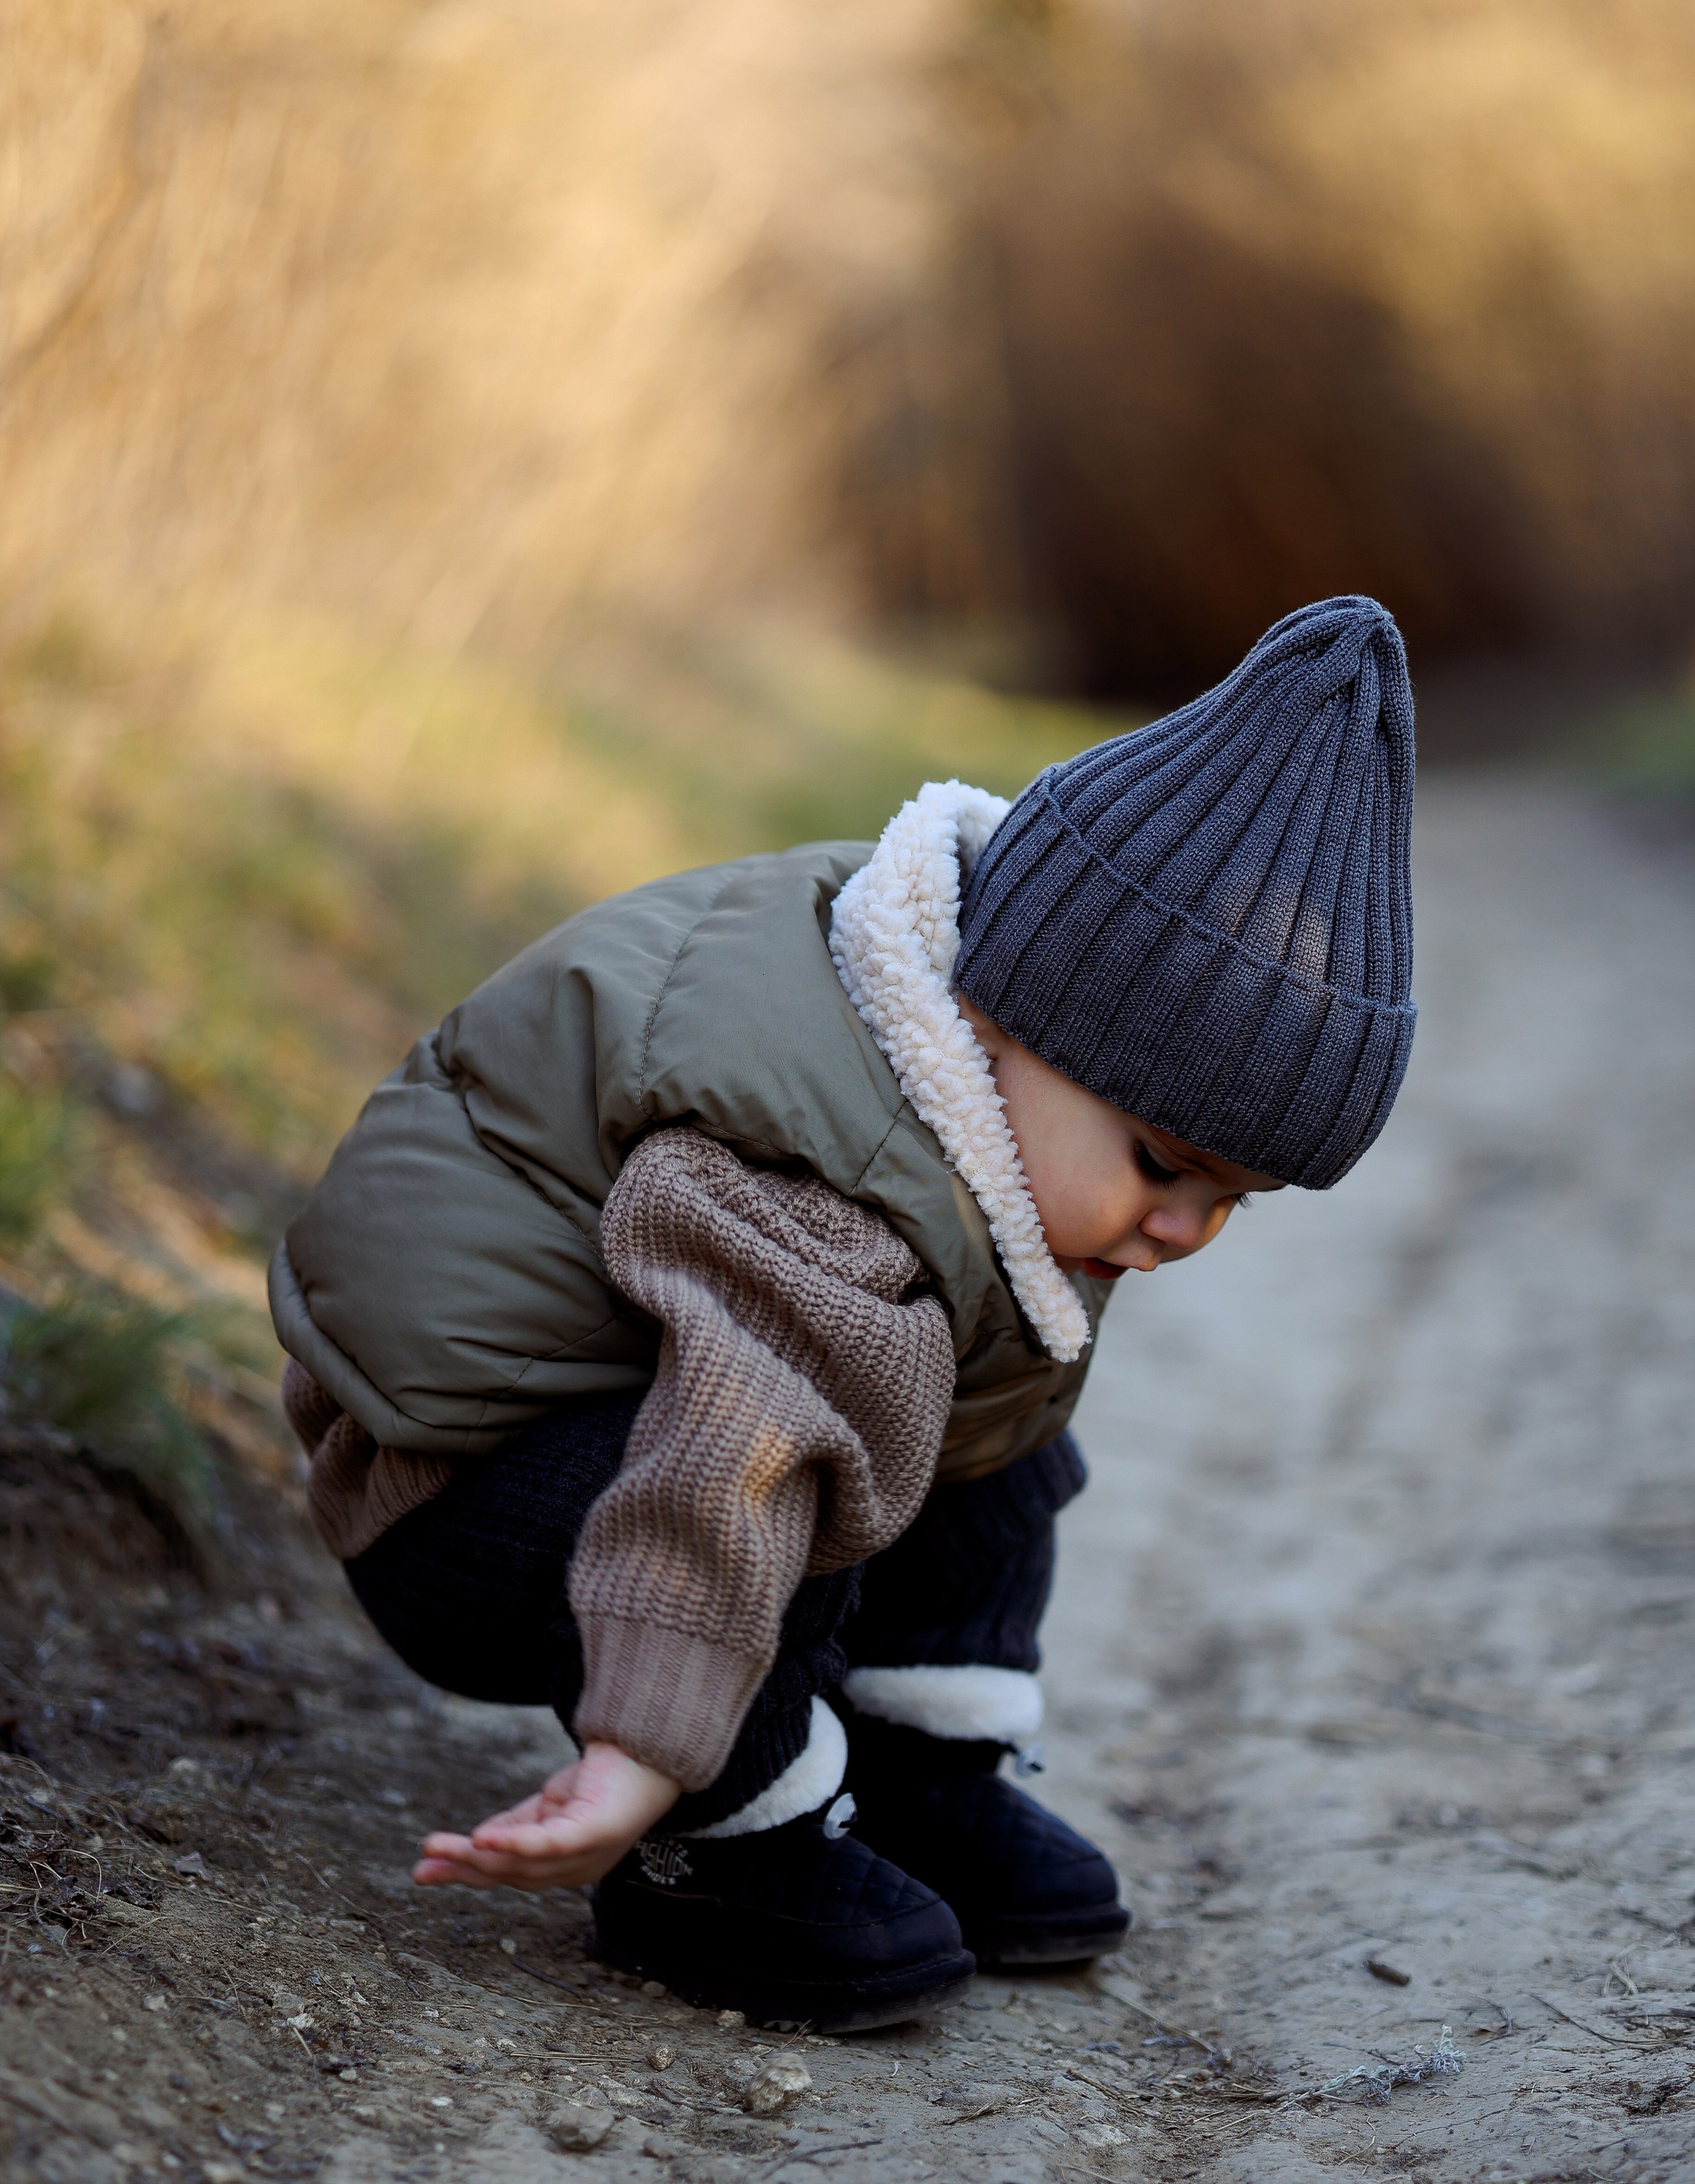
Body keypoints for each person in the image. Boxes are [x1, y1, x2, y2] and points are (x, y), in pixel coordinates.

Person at [271, 594, 1416, 2030]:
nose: (1183, 1230)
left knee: (997, 1449)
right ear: (1011, 1017)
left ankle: (909, 1779)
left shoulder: (986, 1078)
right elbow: (730, 1460)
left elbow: (942, 1427)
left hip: (651, 1426)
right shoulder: (834, 1159)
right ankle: (717, 1843)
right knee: (810, 1434)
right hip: (463, 1483)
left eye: (1233, 1200)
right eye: (1162, 1166)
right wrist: (641, 1755)